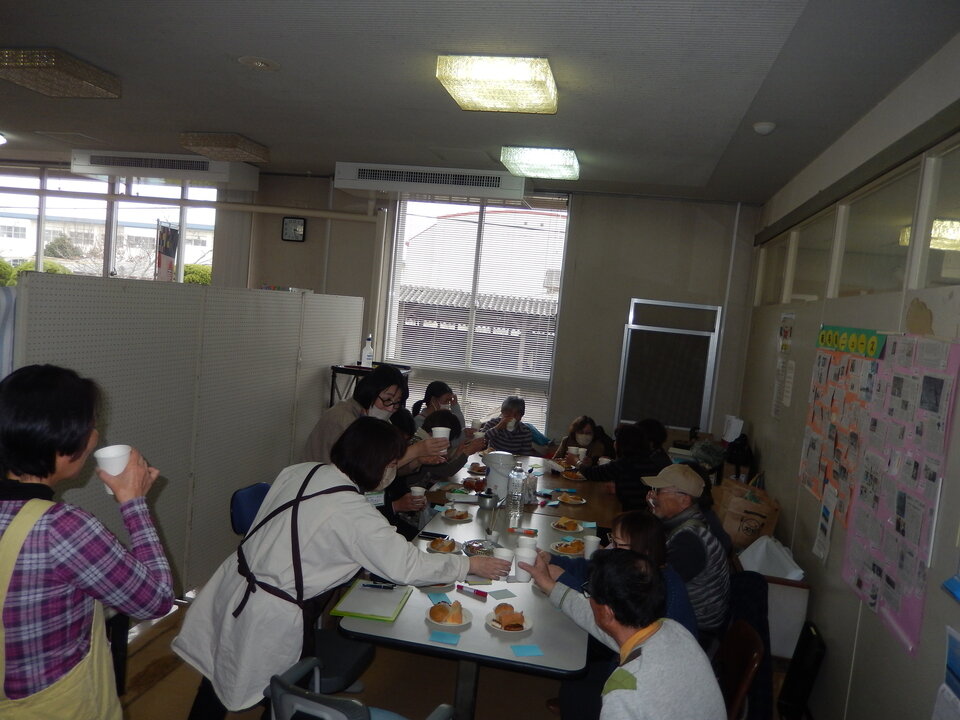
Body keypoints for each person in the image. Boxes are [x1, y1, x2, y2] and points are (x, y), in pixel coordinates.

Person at [174, 417, 510, 717]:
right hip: (273, 613)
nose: (393, 471)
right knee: (290, 695)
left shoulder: (302, 470)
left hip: (233, 585)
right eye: (392, 464)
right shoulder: (355, 515)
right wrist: (469, 564)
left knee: (218, 671)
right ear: (378, 465)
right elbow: (407, 566)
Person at [0, 364, 173, 718]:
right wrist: (134, 501)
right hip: (53, 706)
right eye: (92, 426)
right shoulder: (62, 528)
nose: (95, 436)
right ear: (64, 447)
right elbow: (155, 601)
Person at [532, 509, 697, 720]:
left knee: (575, 668)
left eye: (618, 544)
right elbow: (593, 576)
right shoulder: (639, 569)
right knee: (575, 674)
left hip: (657, 685)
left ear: (644, 551)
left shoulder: (658, 592)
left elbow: (609, 625)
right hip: (640, 660)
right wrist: (555, 566)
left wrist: (562, 582)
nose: (612, 549)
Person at [544, 549, 724, 720]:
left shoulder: (623, 693)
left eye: (589, 593)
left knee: (577, 689)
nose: (588, 599)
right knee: (577, 682)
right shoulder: (672, 628)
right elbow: (603, 625)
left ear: (607, 612)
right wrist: (550, 586)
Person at [644, 463, 730, 644]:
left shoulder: (689, 541)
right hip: (685, 617)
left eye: (659, 491)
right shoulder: (683, 524)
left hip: (694, 631)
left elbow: (655, 585)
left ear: (684, 500)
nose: (653, 496)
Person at [301, 363, 446, 465]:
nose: (391, 408)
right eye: (387, 399)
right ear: (370, 392)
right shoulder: (344, 418)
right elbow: (370, 472)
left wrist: (416, 460)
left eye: (397, 402)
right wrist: (416, 451)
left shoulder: (373, 418)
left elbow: (388, 466)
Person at [579, 422, 670, 510]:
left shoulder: (624, 463)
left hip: (630, 512)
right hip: (645, 510)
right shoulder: (650, 459)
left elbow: (592, 473)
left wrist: (578, 462)